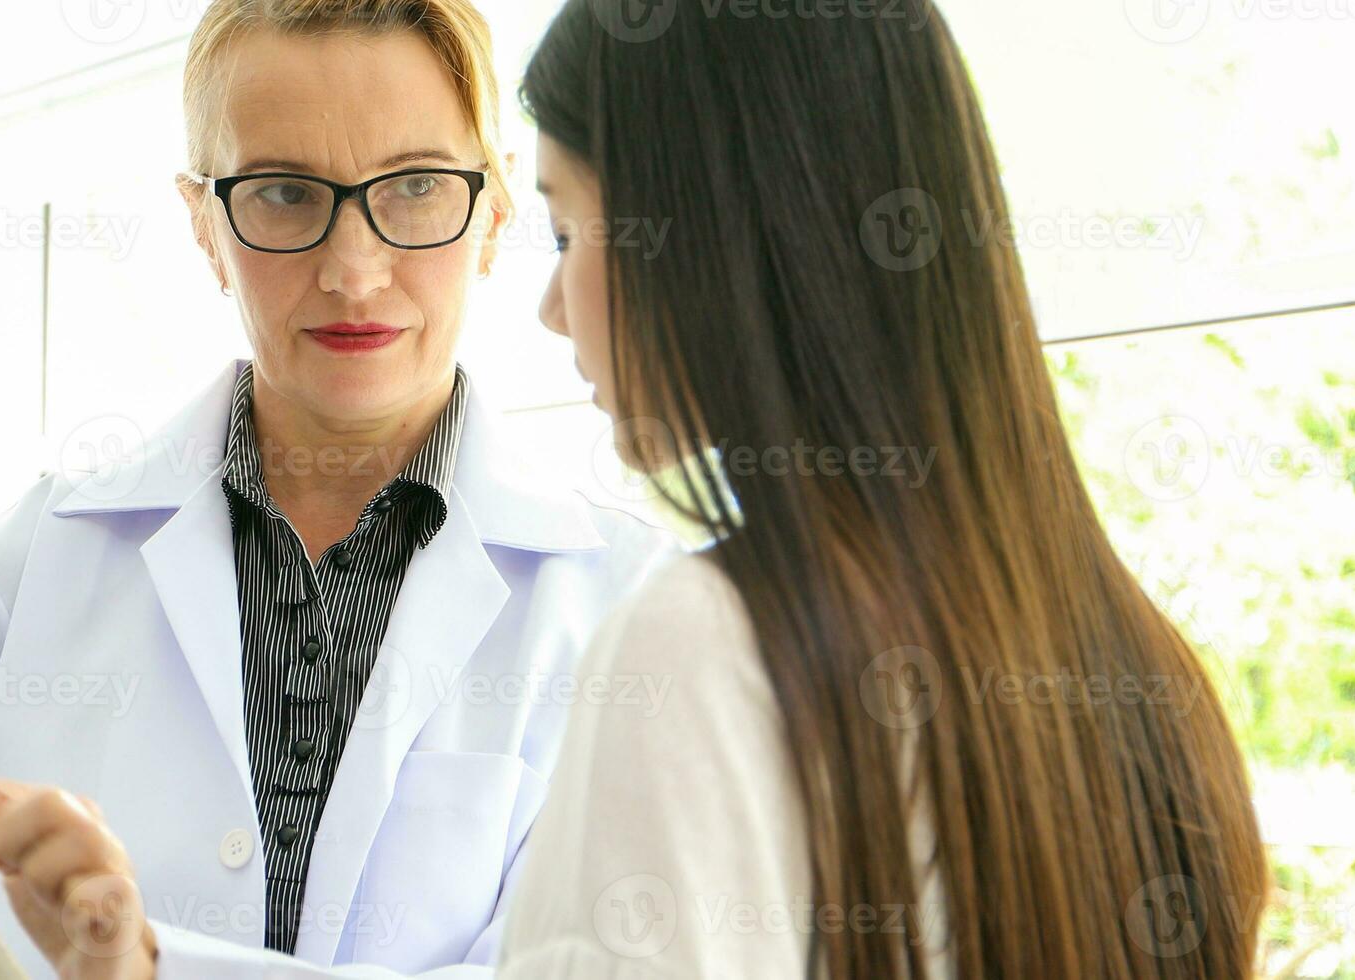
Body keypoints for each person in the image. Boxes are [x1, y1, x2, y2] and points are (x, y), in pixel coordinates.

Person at [0, 2, 674, 979]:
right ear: (203, 225)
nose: (352, 272)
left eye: (411, 187)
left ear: (491, 214)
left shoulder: (632, 603)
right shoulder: (19, 573)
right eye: (284, 193)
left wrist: (145, 965)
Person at [493, 1, 1272, 976]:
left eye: (568, 230)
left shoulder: (705, 647)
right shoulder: (1143, 671)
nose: (552, 310)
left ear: (707, 226)